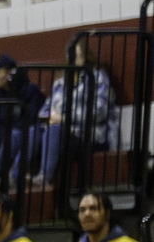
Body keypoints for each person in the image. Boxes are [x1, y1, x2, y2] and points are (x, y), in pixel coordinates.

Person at [40, 37, 116, 185]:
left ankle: (44, 179)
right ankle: (10, 179)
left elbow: (98, 112)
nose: (74, 59)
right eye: (71, 55)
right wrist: (47, 118)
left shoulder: (98, 77)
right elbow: (44, 110)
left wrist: (63, 118)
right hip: (61, 131)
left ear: (86, 56)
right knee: (31, 133)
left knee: (54, 132)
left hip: (89, 134)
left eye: (78, 55)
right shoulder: (60, 83)